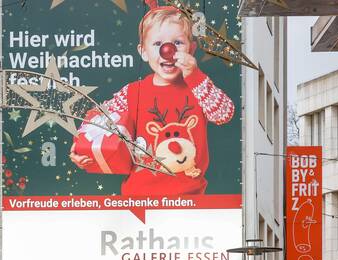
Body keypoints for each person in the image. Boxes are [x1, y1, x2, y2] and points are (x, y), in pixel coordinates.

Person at [69, 1, 235, 198]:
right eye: (158, 44)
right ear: (143, 52)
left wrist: (195, 75)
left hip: (189, 199)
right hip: (139, 198)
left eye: (178, 43)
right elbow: (98, 121)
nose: (168, 50)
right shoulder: (132, 93)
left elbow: (224, 114)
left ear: (191, 48)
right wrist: (80, 146)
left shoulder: (198, 86)